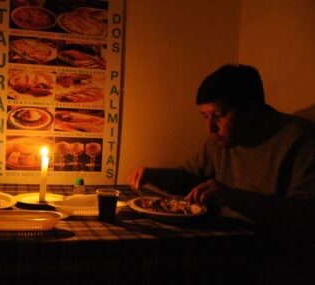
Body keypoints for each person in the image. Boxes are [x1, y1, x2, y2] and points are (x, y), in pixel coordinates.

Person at [127, 64, 315, 282]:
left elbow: (306, 214)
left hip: (275, 261)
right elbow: (191, 178)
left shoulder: (300, 140)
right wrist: (153, 176)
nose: (210, 128)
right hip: (222, 250)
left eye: (219, 115)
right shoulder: (222, 140)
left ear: (252, 110)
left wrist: (232, 197)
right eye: (204, 116)